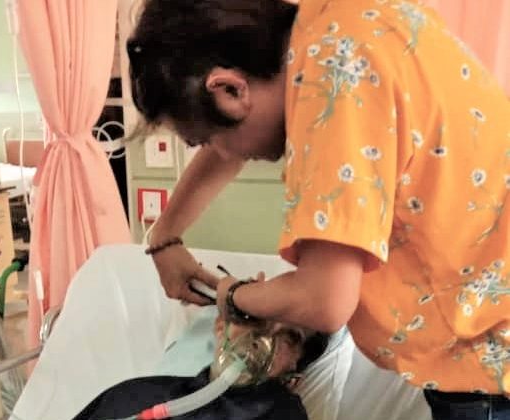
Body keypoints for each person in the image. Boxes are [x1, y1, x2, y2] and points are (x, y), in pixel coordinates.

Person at [127, 0, 510, 418]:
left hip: (489, 367)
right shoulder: (335, 25)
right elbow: (232, 143)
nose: (222, 154)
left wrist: (233, 296)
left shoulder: (332, 88)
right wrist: (165, 237)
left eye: (205, 140)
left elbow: (323, 301)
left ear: (231, 90)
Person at [72, 311, 329, 420]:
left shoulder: (283, 414)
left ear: (294, 374)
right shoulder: (134, 395)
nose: (261, 339)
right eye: (254, 318)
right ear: (221, 326)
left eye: (288, 337)